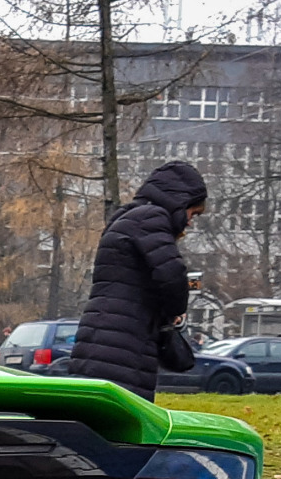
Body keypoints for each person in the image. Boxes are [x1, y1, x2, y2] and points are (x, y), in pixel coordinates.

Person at [71, 161, 205, 398]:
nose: (190, 222)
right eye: (192, 213)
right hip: (124, 342)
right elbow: (173, 274)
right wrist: (175, 313)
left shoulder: (126, 217)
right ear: (178, 201)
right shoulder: (151, 218)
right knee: (125, 416)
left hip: (101, 336)